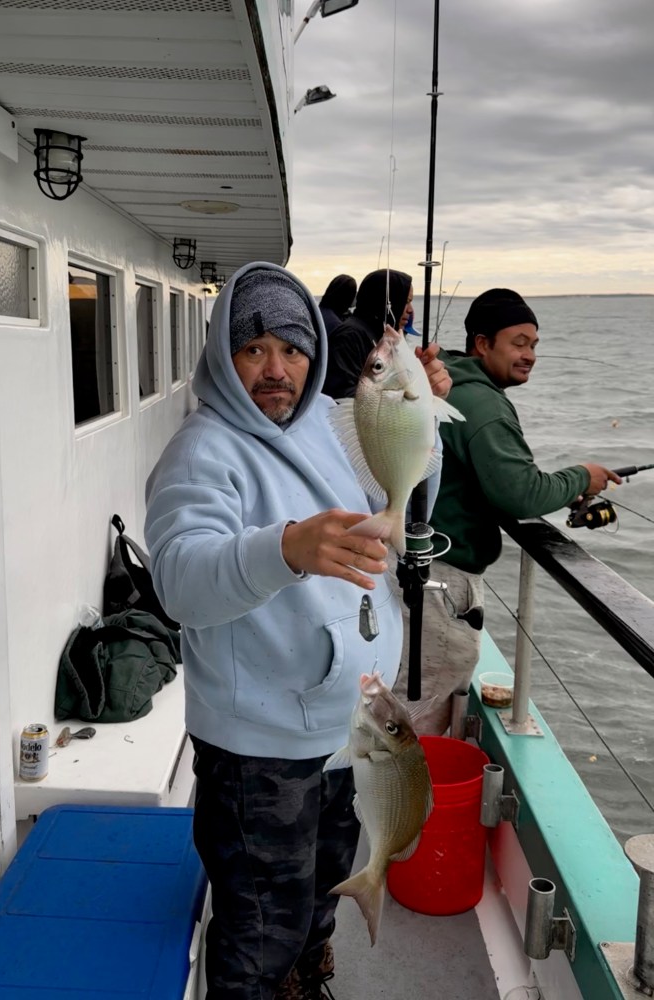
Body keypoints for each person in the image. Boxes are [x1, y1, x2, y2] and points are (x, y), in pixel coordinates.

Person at [144, 262, 447, 1000]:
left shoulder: (325, 423)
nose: (276, 369)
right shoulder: (201, 451)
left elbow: (398, 499)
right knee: (260, 926)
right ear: (223, 357)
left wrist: (425, 419)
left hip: (346, 726)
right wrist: (282, 549)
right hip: (261, 750)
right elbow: (179, 579)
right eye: (253, 349)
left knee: (321, 889)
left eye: (291, 348)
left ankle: (307, 981)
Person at [392, 287, 622, 734]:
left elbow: (493, 478)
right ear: (483, 343)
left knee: (400, 702)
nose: (529, 355)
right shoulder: (484, 405)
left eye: (534, 344)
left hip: (412, 567)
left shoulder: (453, 384)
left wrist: (560, 489)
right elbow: (520, 493)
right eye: (518, 343)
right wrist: (582, 477)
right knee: (417, 717)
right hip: (442, 578)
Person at [322, 267, 413, 399]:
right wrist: (399, 397)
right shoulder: (350, 336)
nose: (410, 310)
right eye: (406, 302)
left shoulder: (381, 336)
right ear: (387, 301)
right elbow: (342, 395)